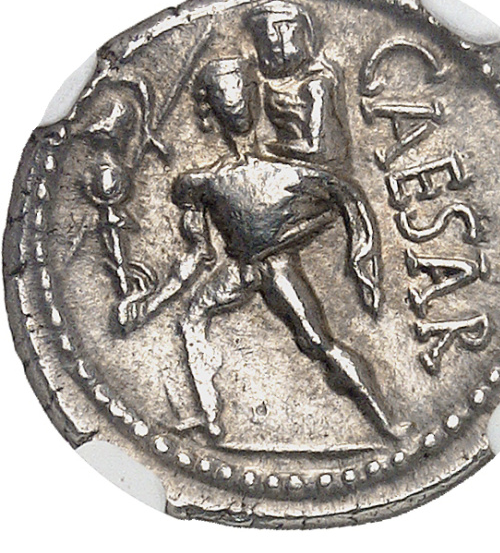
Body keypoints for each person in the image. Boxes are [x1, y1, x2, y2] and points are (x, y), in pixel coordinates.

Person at [117, 58, 399, 440]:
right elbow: (198, 255)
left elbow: (342, 199)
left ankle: (385, 421)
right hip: (243, 269)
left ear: (252, 96)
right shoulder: (200, 183)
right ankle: (210, 418)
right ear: (212, 107)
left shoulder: (286, 172)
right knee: (193, 318)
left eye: (239, 90)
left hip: (273, 266)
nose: (234, 102)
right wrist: (150, 303)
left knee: (317, 343)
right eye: (226, 94)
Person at [245, 0, 352, 177]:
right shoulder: (264, 85)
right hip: (287, 167)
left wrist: (266, 148)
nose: (268, 43)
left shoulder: (316, 85)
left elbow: (317, 148)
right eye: (260, 39)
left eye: (280, 30)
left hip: (317, 174)